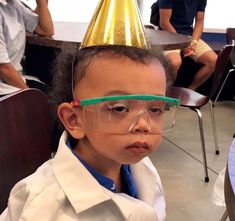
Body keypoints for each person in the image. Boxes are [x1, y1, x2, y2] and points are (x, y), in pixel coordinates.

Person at [0, 45, 180, 221]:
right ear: (74, 119)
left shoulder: (141, 168)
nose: (143, 125)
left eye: (155, 110)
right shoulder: (41, 208)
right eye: (119, 108)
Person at [158, 0, 218, 90]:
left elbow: (199, 21)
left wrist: (193, 43)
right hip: (168, 34)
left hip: (187, 36)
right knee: (174, 62)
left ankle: (189, 91)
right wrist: (183, 43)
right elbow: (164, 23)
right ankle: (165, 93)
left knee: (214, 61)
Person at [0, 0, 54, 95]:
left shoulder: (15, 5)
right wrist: (31, 95)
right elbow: (3, 67)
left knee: (56, 95)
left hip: (13, 79)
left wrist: (41, 2)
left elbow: (46, 30)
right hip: (4, 85)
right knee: (48, 102)